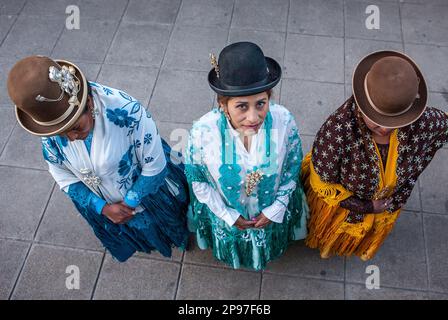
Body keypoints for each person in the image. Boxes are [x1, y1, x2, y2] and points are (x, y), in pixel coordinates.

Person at [7, 56, 190, 262]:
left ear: (89, 102)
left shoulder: (128, 111)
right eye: (61, 133)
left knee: (171, 222)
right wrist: (101, 207)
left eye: (76, 127)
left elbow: (154, 166)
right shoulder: (51, 123)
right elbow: (59, 171)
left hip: (145, 193)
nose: (72, 138)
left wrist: (129, 203)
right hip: (106, 204)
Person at [302, 50, 448, 260]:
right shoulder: (336, 131)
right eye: (376, 120)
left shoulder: (424, 122)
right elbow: (322, 184)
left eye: (395, 122)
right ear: (361, 105)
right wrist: (366, 206)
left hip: (388, 204)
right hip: (344, 207)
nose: (384, 129)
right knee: (334, 236)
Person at [185, 42, 309, 270]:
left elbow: (292, 168)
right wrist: (228, 215)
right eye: (242, 106)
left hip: (270, 211)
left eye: (261, 103)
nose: (253, 117)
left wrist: (276, 208)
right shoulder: (202, 133)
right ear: (223, 104)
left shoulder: (284, 121)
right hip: (228, 215)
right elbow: (198, 181)